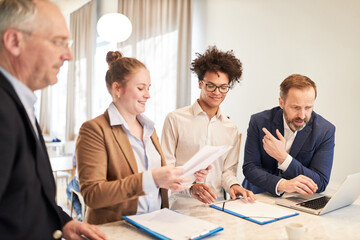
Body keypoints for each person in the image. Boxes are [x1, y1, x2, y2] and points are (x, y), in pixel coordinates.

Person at [0, 0, 107, 239]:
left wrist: (62, 222)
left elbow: (22, 195)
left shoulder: (19, 101)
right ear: (14, 41)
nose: (68, 55)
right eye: (58, 42)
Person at [76, 51, 197, 225]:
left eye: (148, 88)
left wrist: (190, 175)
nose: (147, 95)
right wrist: (151, 179)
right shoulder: (94, 130)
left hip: (156, 226)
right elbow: (93, 194)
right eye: (141, 88)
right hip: (118, 229)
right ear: (117, 88)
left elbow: (160, 183)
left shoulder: (149, 128)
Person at [161, 46, 256, 209]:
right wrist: (190, 188)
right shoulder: (175, 119)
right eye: (211, 85)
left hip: (217, 206)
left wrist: (234, 186)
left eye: (223, 87)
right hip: (181, 205)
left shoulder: (230, 128)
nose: (217, 92)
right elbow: (166, 169)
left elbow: (227, 172)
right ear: (200, 83)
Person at [242, 74, 335, 196]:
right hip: (258, 196)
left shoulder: (325, 130)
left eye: (308, 108)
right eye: (295, 107)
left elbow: (321, 182)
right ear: (281, 103)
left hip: (298, 200)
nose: (302, 115)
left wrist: (284, 158)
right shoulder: (259, 122)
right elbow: (250, 168)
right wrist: (282, 185)